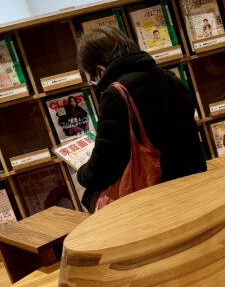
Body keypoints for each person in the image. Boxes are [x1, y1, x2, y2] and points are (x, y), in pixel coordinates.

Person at [75, 26, 206, 212]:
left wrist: (81, 173)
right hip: (193, 183)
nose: (95, 84)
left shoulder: (117, 95)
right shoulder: (172, 79)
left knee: (92, 195)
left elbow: (103, 167)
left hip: (156, 196)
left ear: (100, 70)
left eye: (92, 79)